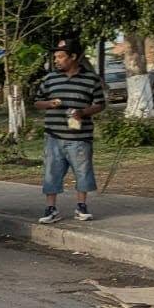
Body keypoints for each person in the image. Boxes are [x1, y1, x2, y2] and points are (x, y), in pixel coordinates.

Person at [31, 37, 105, 223]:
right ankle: (51, 208)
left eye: (60, 57)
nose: (56, 60)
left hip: (80, 137)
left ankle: (81, 206)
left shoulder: (91, 79)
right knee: (51, 173)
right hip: (53, 136)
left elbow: (100, 104)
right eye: (55, 57)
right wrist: (49, 103)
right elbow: (37, 102)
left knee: (83, 172)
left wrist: (83, 112)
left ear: (73, 57)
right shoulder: (50, 78)